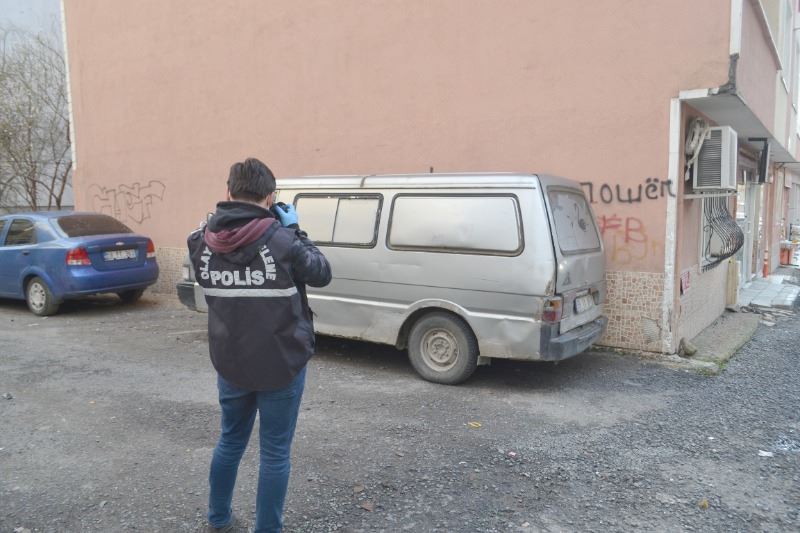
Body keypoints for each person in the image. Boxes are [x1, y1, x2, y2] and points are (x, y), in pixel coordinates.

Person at [188, 158, 331, 533]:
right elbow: (322, 273)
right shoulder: (285, 241)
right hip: (281, 363)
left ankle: (218, 519)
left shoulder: (199, 241)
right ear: (270, 197)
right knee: (275, 453)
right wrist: (296, 229)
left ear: (228, 191)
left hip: (231, 362)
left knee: (230, 441)